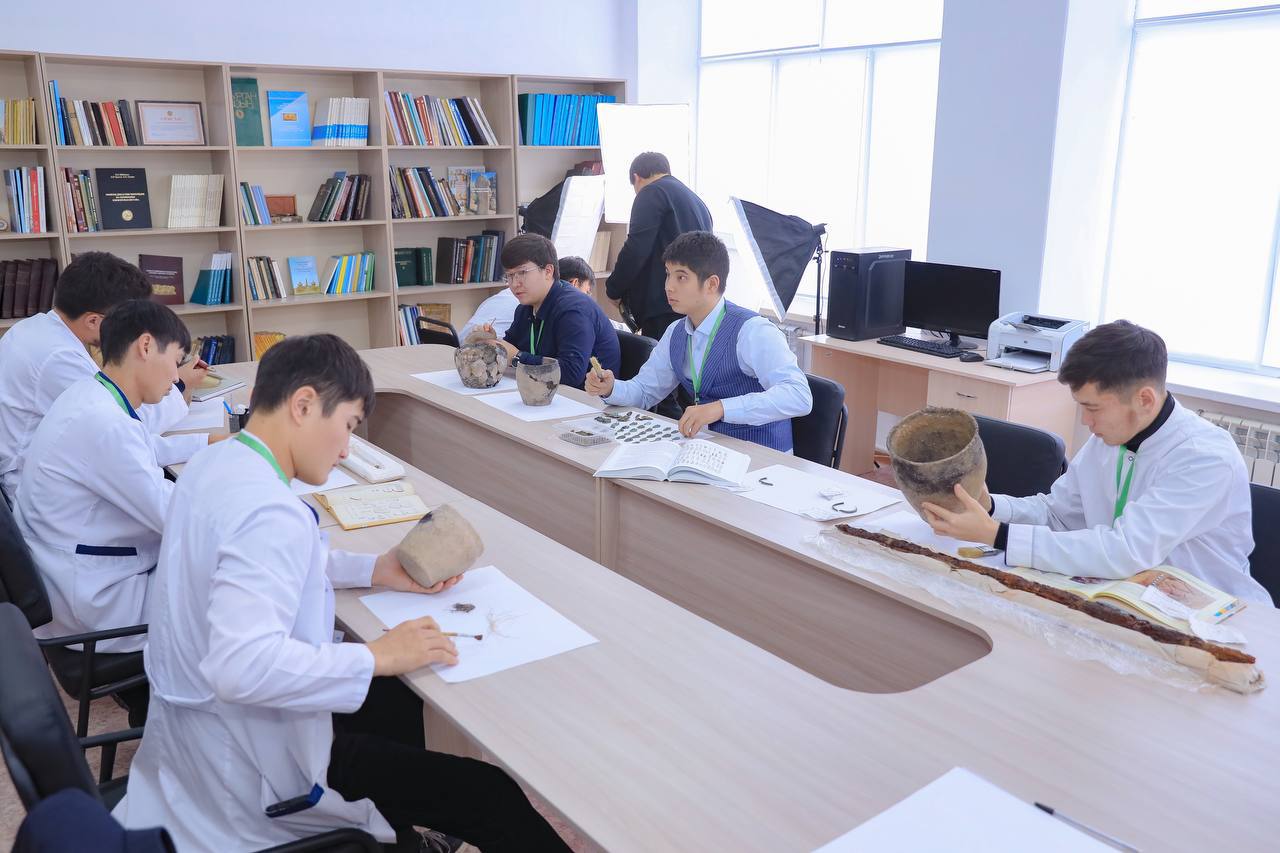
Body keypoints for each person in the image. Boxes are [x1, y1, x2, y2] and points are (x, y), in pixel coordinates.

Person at [115, 334, 570, 852]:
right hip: (250, 767)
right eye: (349, 425)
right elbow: (241, 666)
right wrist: (375, 655)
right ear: (304, 405)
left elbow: (266, 564)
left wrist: (377, 569)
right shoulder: (268, 510)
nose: (347, 448)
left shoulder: (219, 465)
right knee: (489, 794)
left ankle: (400, 838)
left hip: (196, 738)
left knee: (395, 694)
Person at [919, 320, 1272, 604]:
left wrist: (997, 535)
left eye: (1093, 408)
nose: (1086, 422)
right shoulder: (1113, 436)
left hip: (1210, 615)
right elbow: (1058, 515)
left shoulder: (1204, 457)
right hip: (1124, 594)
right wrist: (991, 507)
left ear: (1145, 400)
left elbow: (1125, 550)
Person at [16, 301, 221, 725]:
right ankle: (192, 725)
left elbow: (143, 447)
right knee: (231, 594)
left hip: (70, 581)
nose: (176, 377)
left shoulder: (91, 395)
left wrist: (208, 444)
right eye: (176, 361)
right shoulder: (103, 423)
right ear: (146, 346)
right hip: (96, 604)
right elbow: (176, 517)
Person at [0, 252, 206, 501]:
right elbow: (131, 423)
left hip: (55, 472)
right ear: (93, 320)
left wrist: (204, 441)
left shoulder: (35, 328)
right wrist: (179, 383)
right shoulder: (59, 358)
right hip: (35, 490)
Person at [585, 231, 812, 452]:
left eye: (681, 277)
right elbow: (645, 390)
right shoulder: (676, 332)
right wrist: (611, 388)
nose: (668, 286)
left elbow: (798, 395)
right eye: (668, 274)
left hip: (761, 455)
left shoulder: (753, 330)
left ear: (712, 284)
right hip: (705, 449)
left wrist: (721, 408)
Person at [485, 234, 621, 390]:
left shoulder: (573, 310)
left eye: (522, 273)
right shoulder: (525, 307)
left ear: (548, 271)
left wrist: (517, 358)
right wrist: (492, 343)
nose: (515, 284)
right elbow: (510, 349)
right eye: (509, 275)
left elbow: (571, 373)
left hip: (585, 398)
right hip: (546, 391)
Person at [606, 152, 713, 339]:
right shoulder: (697, 201)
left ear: (636, 178)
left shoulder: (651, 192)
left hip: (664, 304)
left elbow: (636, 248)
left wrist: (613, 288)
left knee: (663, 356)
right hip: (698, 303)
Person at [558, 255, 628, 332]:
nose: (589, 298)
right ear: (575, 283)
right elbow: (607, 325)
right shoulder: (579, 313)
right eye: (587, 292)